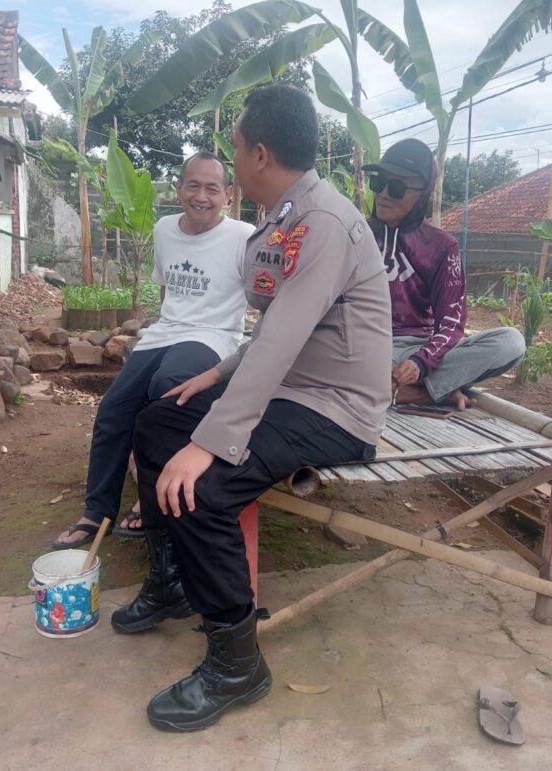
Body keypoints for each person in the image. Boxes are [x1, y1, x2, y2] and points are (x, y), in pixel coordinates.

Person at [117, 84, 392, 733]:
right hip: (290, 389)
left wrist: (208, 442)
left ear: (259, 154)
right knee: (156, 424)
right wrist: (215, 374)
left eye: (236, 148)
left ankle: (237, 663)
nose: (233, 158)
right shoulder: (283, 220)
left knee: (205, 486)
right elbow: (272, 334)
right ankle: (171, 581)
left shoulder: (324, 224)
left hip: (336, 408)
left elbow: (281, 342)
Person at [52, 153, 254, 630]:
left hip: (214, 337)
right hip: (166, 332)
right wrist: (166, 332)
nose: (201, 196)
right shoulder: (164, 230)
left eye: (213, 188)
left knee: (167, 394)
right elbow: (168, 296)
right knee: (114, 408)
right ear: (179, 188)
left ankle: (153, 501)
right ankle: (97, 510)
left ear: (228, 195)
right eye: (193, 186)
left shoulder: (245, 237)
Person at [362, 138, 525, 409]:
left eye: (397, 187)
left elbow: (451, 323)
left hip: (420, 350)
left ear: (422, 194)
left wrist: (421, 362)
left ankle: (399, 387)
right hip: (366, 346)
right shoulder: (355, 234)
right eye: (379, 183)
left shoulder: (442, 247)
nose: (383, 194)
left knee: (511, 342)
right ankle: (425, 393)